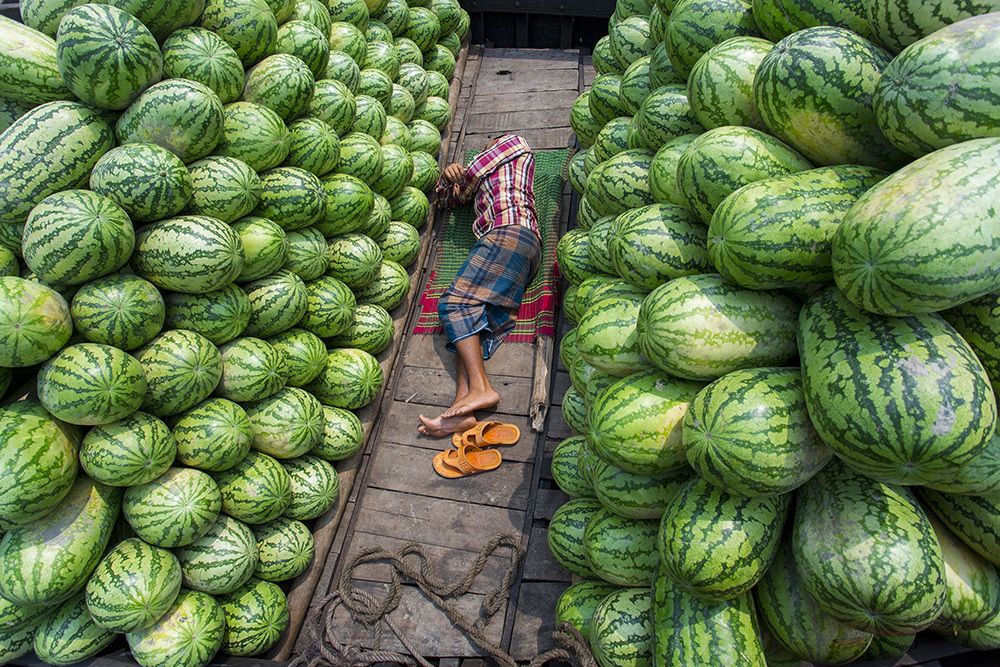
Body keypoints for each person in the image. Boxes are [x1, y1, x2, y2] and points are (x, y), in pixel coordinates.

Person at [417, 134, 541, 438]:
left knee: (454, 304)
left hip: (510, 231)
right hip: (515, 244)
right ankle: (462, 409)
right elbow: (449, 200)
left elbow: (469, 175)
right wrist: (450, 183)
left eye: (487, 143)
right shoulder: (486, 180)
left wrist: (455, 174)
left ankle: (483, 388)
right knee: (472, 321)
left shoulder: (514, 144)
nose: (485, 146)